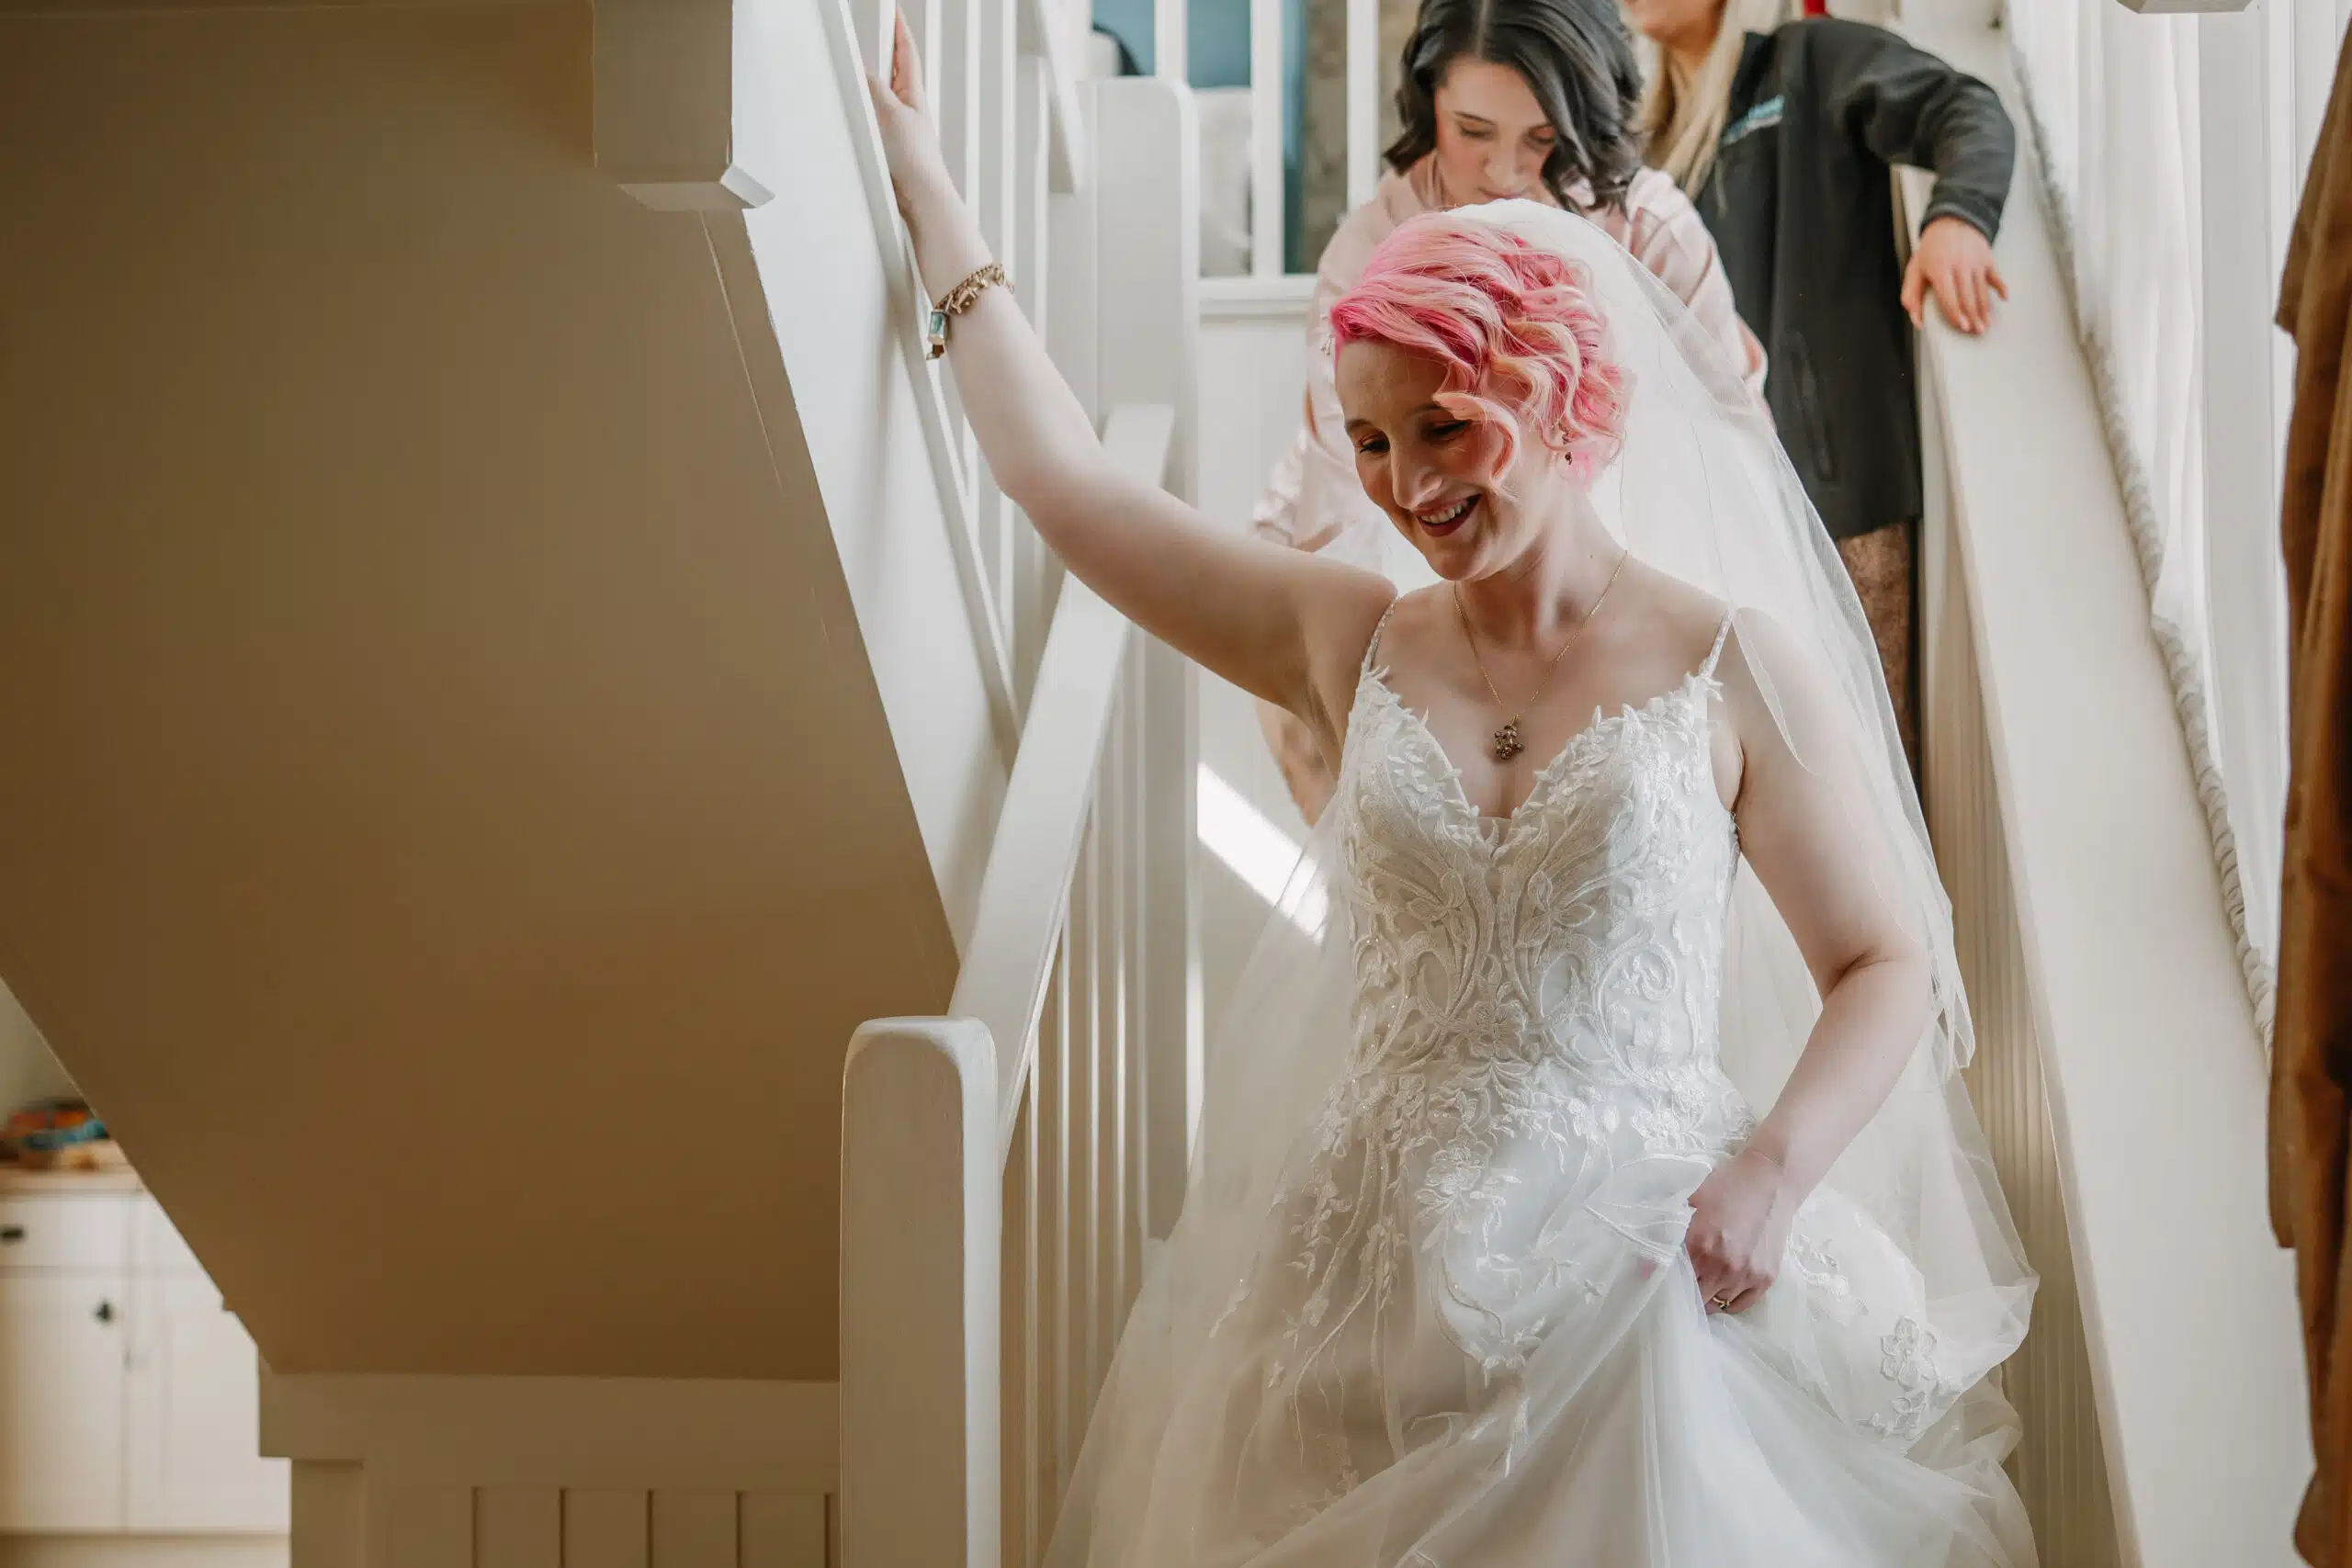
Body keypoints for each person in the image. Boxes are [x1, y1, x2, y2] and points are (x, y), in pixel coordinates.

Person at [868, 13, 2034, 1562]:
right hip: (1362, 1299)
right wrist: (927, 191)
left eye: (1444, 428)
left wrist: (1772, 1173)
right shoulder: (1348, 634)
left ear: (1557, 394)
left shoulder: (1730, 663)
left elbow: (1882, 962)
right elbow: (1068, 490)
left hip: (1644, 1288)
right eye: (1369, 440)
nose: (1408, 486)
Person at [1255, 0, 1765, 827]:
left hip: (1625, 532)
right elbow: (1347, 480)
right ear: (1428, 104)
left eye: (1541, 138)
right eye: (1473, 131)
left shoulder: (1651, 226)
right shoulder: (1369, 247)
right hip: (1391, 520)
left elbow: (1736, 438)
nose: (1503, 170)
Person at [1626, 0, 2017, 771]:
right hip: (1713, 525)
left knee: (1859, 776)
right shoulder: (1649, 140)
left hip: (1838, 513)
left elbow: (1965, 106)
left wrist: (1958, 219)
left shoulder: (1807, 62)